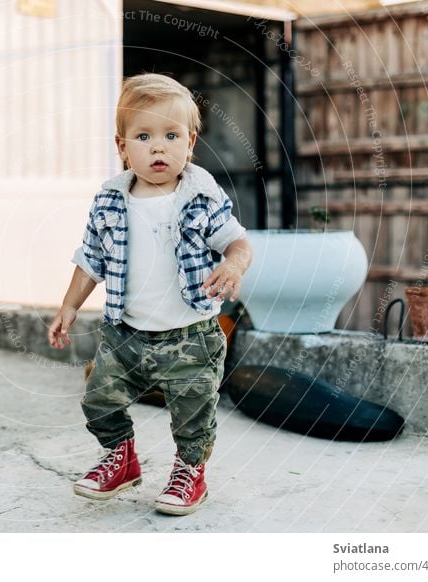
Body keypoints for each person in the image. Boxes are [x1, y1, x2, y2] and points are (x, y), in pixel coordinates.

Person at [47, 73, 252, 516]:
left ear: (190, 142)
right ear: (121, 147)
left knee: (192, 412)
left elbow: (238, 242)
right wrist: (68, 305)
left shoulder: (200, 195)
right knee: (99, 399)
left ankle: (189, 471)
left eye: (170, 135)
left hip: (190, 334)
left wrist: (232, 265)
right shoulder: (109, 201)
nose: (158, 147)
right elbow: (91, 260)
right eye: (144, 136)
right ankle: (121, 458)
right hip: (125, 333)